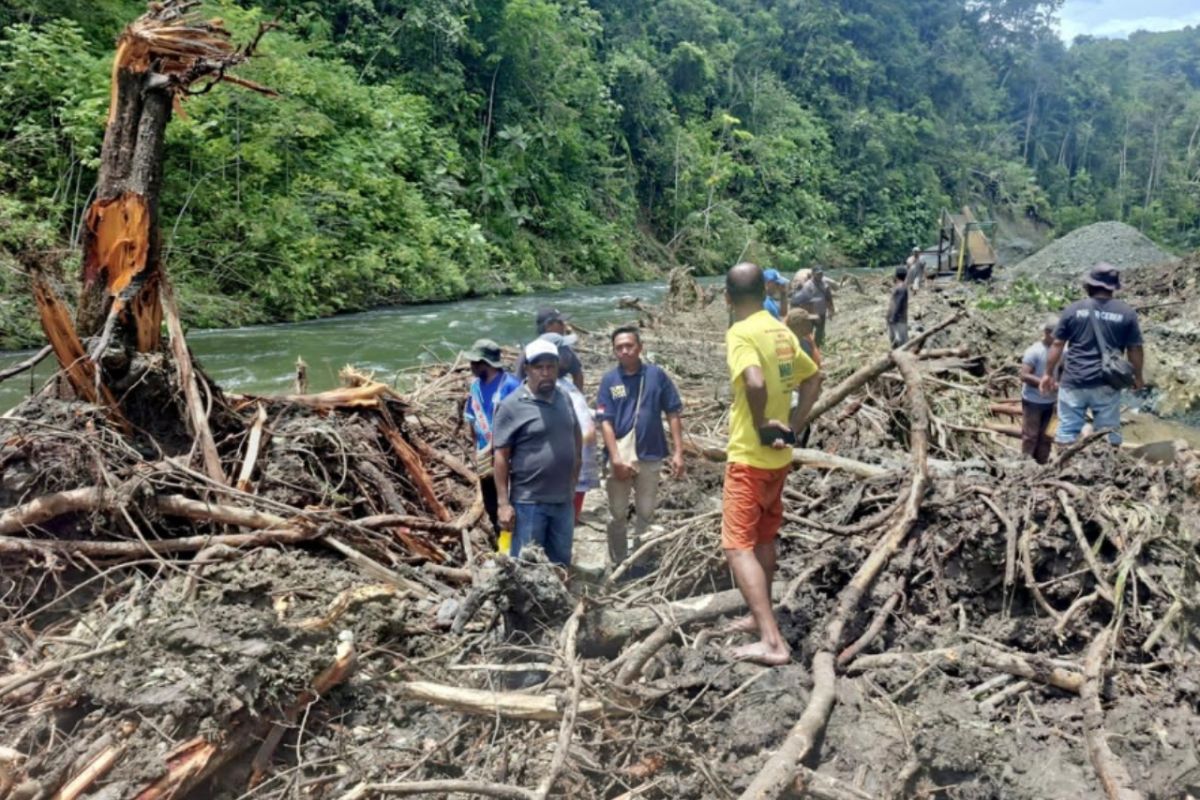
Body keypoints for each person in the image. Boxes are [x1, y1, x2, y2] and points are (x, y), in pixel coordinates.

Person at [722, 262, 821, 665]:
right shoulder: (781, 330)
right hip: (778, 459)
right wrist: (794, 425)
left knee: (736, 546)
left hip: (749, 455)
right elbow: (813, 377)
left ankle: (772, 641)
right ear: (764, 289)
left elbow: (755, 382)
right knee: (763, 538)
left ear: (727, 299)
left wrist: (763, 423)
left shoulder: (741, 332)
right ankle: (757, 615)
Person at [596, 326, 685, 567]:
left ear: (640, 348)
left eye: (629, 346)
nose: (624, 351)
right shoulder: (610, 380)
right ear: (614, 351)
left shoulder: (656, 376)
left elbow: (673, 412)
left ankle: (640, 562)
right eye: (619, 347)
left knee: (646, 512)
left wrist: (678, 451)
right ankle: (618, 561)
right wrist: (615, 459)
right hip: (620, 456)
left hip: (650, 454)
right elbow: (605, 422)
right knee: (617, 513)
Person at [493, 339, 582, 565]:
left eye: (550, 367)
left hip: (563, 500)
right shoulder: (511, 405)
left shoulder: (564, 398)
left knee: (561, 561)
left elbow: (576, 433)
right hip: (529, 503)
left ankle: (561, 601)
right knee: (527, 566)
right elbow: (501, 456)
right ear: (527, 369)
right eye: (539, 367)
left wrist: (574, 476)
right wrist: (503, 504)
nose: (545, 373)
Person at [1040, 264, 1144, 446]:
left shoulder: (1073, 310)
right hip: (1107, 382)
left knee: (1067, 430)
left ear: (1089, 285)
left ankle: (1064, 469)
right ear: (1113, 287)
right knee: (1108, 431)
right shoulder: (1126, 313)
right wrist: (1138, 376)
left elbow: (1057, 344)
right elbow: (1134, 349)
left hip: (1074, 380)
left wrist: (1048, 374)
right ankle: (1107, 470)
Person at [462, 339, 522, 535]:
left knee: (511, 503)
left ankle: (514, 545)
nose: (470, 366)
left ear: (485, 364)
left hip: (509, 456)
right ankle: (500, 542)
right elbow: (471, 420)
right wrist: (476, 450)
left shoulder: (511, 386)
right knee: (491, 503)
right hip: (485, 455)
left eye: (474, 362)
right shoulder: (475, 387)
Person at [1019, 317, 1060, 464]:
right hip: (1033, 401)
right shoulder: (1035, 351)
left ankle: (1042, 464)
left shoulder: (1062, 350)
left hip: (1052, 402)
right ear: (1047, 333)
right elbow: (1024, 375)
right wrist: (1045, 383)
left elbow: (1063, 370)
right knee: (1030, 436)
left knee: (1047, 436)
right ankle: (1026, 464)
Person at [559, 376, 599, 522]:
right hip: (569, 441)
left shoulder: (570, 388)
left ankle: (572, 516)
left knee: (579, 481)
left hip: (580, 439)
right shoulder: (559, 388)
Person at [514, 307, 585, 390]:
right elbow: (518, 381)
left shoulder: (564, 348)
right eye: (560, 322)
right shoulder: (530, 351)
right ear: (548, 326)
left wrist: (578, 396)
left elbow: (578, 375)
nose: (564, 325)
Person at [790, 266, 836, 347]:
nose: (820, 275)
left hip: (822, 312)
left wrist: (831, 309)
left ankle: (817, 347)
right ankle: (809, 348)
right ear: (813, 274)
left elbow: (828, 297)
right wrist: (814, 315)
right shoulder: (807, 286)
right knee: (808, 332)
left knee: (820, 331)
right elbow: (806, 302)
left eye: (821, 274)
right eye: (818, 274)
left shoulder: (824, 285)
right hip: (810, 313)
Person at [887, 267, 909, 347]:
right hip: (897, 318)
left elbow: (898, 304)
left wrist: (893, 318)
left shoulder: (900, 288)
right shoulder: (901, 287)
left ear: (896, 276)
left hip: (898, 319)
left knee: (900, 342)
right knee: (896, 341)